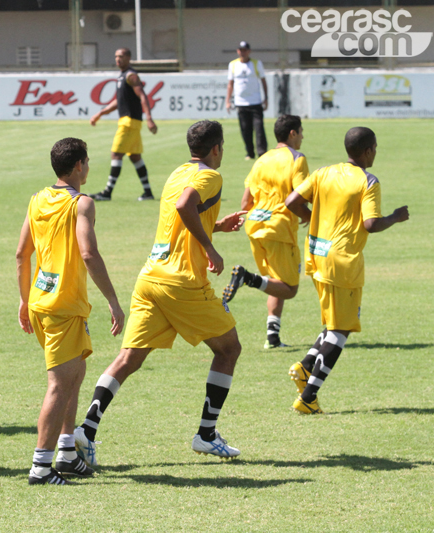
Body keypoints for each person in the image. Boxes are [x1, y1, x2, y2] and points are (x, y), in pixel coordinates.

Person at [74, 121, 248, 465]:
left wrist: (216, 224)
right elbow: (186, 207)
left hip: (151, 276)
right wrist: (210, 249)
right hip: (182, 282)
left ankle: (87, 429)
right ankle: (207, 434)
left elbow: (179, 216)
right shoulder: (211, 177)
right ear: (216, 149)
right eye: (223, 147)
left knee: (129, 359)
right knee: (229, 348)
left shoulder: (176, 173)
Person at [16, 137, 125, 485]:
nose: (89, 168)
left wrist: (23, 299)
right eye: (88, 162)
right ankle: (40, 467)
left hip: (42, 300)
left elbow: (22, 254)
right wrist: (112, 299)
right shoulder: (82, 204)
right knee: (59, 384)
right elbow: (89, 253)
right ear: (79, 165)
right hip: (62, 305)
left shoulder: (37, 200)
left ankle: (66, 453)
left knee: (75, 374)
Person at [285, 127, 409, 414]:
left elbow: (292, 202)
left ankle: (304, 368)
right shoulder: (368, 181)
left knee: (334, 321)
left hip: (316, 255)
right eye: (375, 148)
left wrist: (311, 217)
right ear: (367, 151)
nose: (376, 153)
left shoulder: (323, 172)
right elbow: (371, 224)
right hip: (342, 262)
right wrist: (395, 217)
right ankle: (308, 396)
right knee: (341, 328)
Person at [222, 115, 308, 348]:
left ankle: (273, 338)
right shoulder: (297, 159)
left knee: (274, 282)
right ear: (292, 133)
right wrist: (308, 216)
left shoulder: (261, 160)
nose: (302, 136)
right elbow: (297, 197)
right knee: (289, 289)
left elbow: (244, 202)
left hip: (255, 226)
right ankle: (246, 277)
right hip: (278, 228)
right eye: (300, 131)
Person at [88, 47, 158, 202]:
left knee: (116, 154)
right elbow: (118, 102)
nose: (117, 59)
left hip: (129, 122)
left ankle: (107, 192)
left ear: (128, 58)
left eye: (121, 56)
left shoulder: (131, 76)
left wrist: (149, 118)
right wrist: (100, 113)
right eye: (115, 56)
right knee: (135, 157)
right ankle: (148, 193)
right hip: (130, 122)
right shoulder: (122, 77)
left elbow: (143, 96)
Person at [226, 41, 268, 160]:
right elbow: (230, 84)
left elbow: (263, 81)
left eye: (245, 50)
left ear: (249, 51)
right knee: (245, 130)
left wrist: (266, 98)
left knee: (259, 128)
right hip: (241, 102)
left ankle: (262, 152)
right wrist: (228, 101)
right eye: (240, 50)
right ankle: (250, 153)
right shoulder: (233, 64)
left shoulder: (256, 63)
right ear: (237, 51)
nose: (242, 52)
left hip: (255, 102)